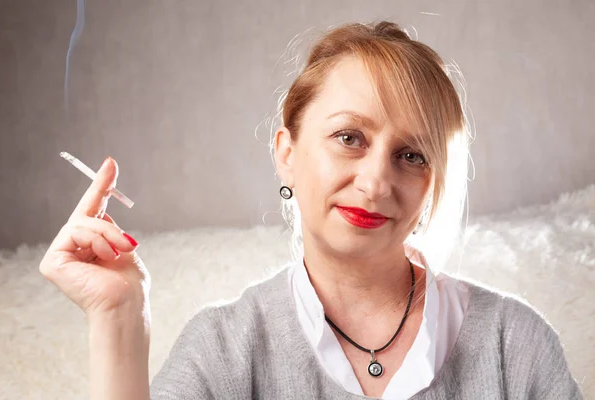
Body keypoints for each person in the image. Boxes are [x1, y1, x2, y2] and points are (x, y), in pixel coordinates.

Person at [39, 21, 583, 399]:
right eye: (349, 137)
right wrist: (116, 320)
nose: (375, 181)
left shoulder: (516, 343)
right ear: (287, 153)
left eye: (411, 155)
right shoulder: (225, 350)